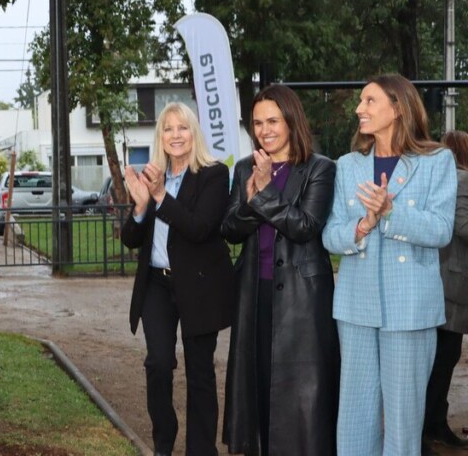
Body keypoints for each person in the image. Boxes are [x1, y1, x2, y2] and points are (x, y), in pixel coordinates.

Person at [322, 74, 456, 456]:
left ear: (397, 108)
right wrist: (363, 225)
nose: (359, 109)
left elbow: (442, 229)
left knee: (403, 420)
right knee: (355, 415)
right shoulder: (347, 166)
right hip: (356, 308)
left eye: (369, 101)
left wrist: (390, 212)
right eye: (360, 101)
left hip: (410, 310)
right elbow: (330, 235)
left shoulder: (436, 161)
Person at [221, 85, 339, 456]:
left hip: (304, 302)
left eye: (272, 120)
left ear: (291, 120)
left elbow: (305, 227)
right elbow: (229, 229)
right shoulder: (244, 168)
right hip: (254, 294)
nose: (264, 130)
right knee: (258, 387)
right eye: (257, 123)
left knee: (303, 398)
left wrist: (264, 194)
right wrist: (254, 199)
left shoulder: (320, 168)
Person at [121, 102, 234, 456]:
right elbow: (130, 238)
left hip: (199, 286)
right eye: (168, 129)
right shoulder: (154, 175)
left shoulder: (213, 175)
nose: (175, 135)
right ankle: (163, 444)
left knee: (200, 370)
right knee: (158, 363)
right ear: (161, 137)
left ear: (193, 133)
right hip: (157, 284)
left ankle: (201, 450)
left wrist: (159, 197)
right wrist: (141, 207)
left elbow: (200, 228)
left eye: (182, 128)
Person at [422, 130, 468, 454]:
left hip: (449, 279)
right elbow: (462, 225)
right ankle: (427, 428)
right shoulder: (462, 179)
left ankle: (435, 424)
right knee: (442, 358)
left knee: (445, 356)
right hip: (451, 280)